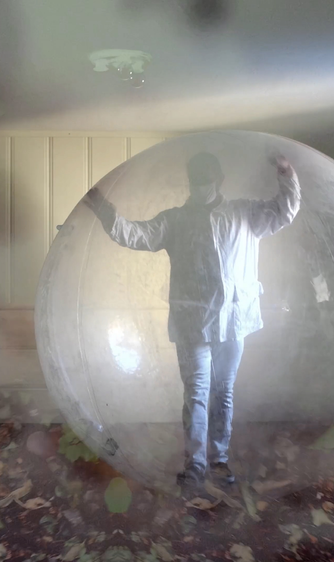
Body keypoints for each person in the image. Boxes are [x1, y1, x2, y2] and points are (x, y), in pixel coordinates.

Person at [83, 150, 301, 488]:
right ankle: (196, 465)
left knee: (224, 391)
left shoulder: (244, 213)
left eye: (207, 178)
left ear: (219, 180)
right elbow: (134, 234)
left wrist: (286, 173)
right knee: (197, 393)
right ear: (190, 182)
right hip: (193, 323)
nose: (202, 185)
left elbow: (285, 211)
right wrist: (101, 207)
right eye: (196, 179)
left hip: (235, 319)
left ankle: (220, 460)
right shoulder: (176, 220)